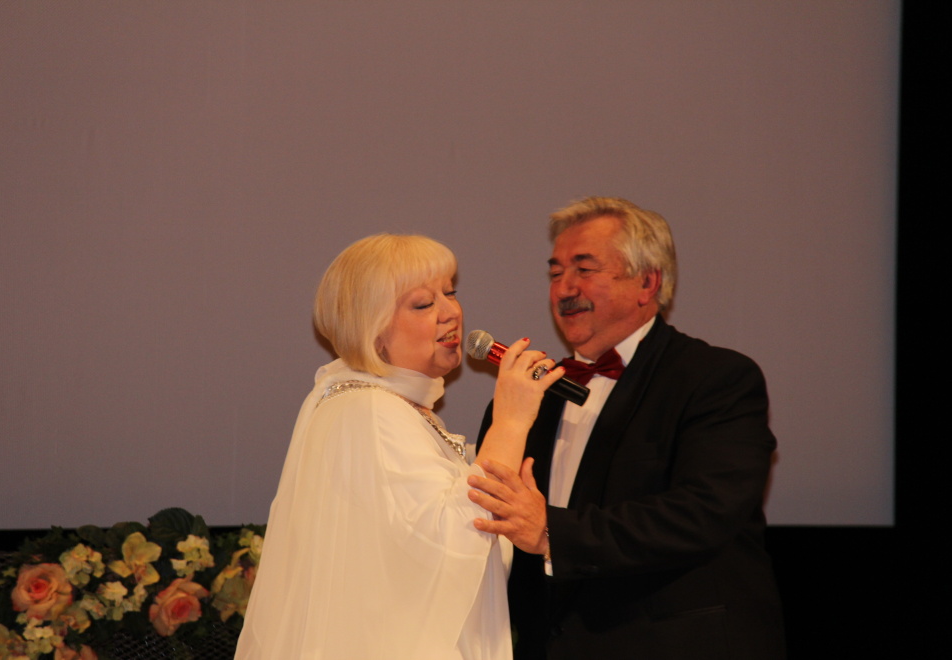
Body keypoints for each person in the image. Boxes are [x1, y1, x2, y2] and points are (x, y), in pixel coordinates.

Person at [470, 197, 786, 659]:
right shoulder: (526, 396)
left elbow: (704, 512)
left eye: (584, 269)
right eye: (555, 273)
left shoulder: (716, 378)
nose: (564, 289)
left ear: (647, 282)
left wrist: (551, 531)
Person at [235, 233, 564, 659]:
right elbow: (458, 540)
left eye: (450, 292)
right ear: (373, 332)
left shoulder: (390, 409)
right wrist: (511, 420)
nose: (452, 312)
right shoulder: (370, 411)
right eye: (424, 304)